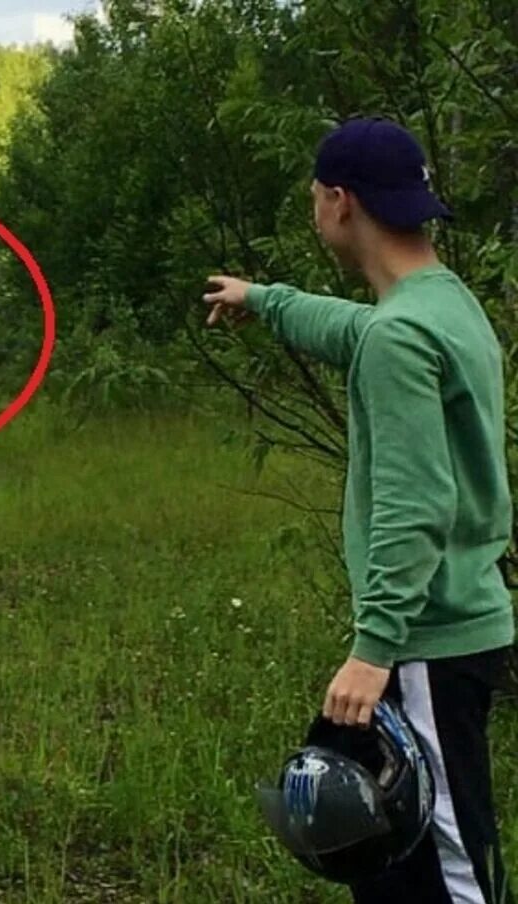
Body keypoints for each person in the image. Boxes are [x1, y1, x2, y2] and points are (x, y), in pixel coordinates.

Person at [203, 117, 515, 903]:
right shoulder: (443, 307)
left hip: (423, 643)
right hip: (456, 631)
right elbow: (358, 330)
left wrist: (374, 650)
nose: (315, 209)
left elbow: (416, 505)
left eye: (315, 195)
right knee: (409, 861)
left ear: (341, 202)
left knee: (443, 866)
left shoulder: (402, 335)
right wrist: (267, 299)